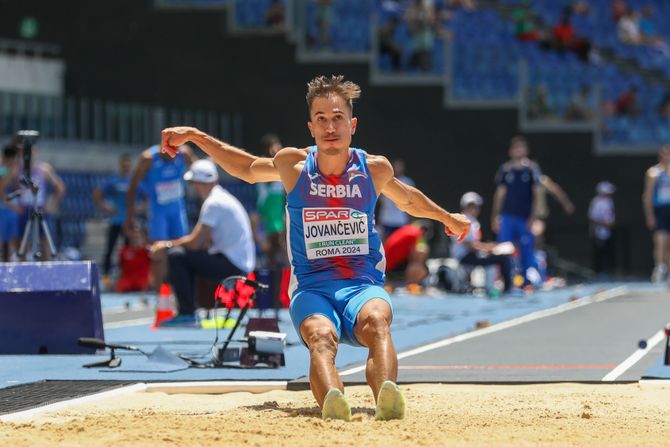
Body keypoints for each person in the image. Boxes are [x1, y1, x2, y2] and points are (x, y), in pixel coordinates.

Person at [160, 75, 470, 421]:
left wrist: (447, 217)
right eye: (321, 119)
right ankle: (334, 404)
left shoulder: (373, 168)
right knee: (322, 339)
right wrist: (197, 137)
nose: (330, 126)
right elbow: (246, 168)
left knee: (378, 321)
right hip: (312, 288)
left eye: (337, 118)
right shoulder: (294, 166)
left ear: (352, 124)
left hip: (361, 286)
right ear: (311, 127)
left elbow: (409, 199)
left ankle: (387, 399)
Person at [151, 159, 256, 325]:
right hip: (238, 262)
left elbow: (194, 243)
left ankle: (187, 313)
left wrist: (166, 245)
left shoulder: (213, 203)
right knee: (186, 256)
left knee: (177, 256)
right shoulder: (221, 197)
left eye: (194, 183)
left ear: (197, 183)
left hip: (233, 265)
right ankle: (189, 310)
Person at [125, 143, 194, 289]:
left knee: (180, 249)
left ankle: (180, 288)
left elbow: (199, 171)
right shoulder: (148, 158)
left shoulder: (184, 153)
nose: (172, 156)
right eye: (169, 153)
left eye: (176, 152)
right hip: (158, 212)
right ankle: (160, 291)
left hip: (177, 211)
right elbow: (132, 186)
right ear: (163, 148)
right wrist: (129, 215)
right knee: (158, 251)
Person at [491, 136, 543, 288]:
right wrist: (495, 215)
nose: (518, 151)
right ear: (510, 151)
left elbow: (537, 194)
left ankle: (526, 281)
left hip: (524, 217)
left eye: (521, 148)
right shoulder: (505, 170)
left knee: (526, 249)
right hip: (507, 216)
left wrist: (534, 217)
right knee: (504, 248)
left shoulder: (532, 169)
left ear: (526, 150)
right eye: (515, 148)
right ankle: (505, 280)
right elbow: (500, 194)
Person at [4, 145, 65, 261]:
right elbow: (2, 187)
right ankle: (23, 271)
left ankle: (45, 271)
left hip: (40, 208)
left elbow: (60, 187)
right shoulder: (16, 169)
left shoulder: (44, 169)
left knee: (43, 242)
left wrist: (52, 203)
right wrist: (12, 206)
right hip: (24, 209)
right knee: (22, 243)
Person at [93, 153, 145, 288]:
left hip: (129, 222)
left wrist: (139, 209)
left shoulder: (134, 182)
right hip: (116, 221)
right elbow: (97, 194)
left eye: (128, 164)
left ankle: (127, 275)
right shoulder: (113, 181)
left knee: (129, 251)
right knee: (110, 249)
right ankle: (106, 278)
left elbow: (147, 196)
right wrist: (106, 208)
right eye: (124, 163)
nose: (126, 166)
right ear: (120, 164)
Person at [451, 192, 513, 295]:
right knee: (502, 258)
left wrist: (489, 248)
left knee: (499, 257)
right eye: (471, 206)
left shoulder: (473, 222)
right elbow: (470, 246)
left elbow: (475, 245)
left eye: (476, 206)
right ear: (465, 206)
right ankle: (508, 290)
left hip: (472, 254)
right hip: (464, 257)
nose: (474, 209)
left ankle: (501, 287)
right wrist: (491, 248)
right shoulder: (462, 221)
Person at [253, 133, 289, 311]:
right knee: (273, 262)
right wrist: (261, 234)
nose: (279, 149)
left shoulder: (283, 170)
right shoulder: (265, 169)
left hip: (280, 221)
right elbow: (262, 205)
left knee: (284, 261)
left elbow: (282, 202)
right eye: (276, 146)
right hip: (269, 223)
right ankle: (270, 302)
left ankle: (281, 299)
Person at [642, 145, 670, 283]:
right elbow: (647, 196)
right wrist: (649, 215)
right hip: (660, 210)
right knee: (660, 240)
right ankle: (659, 267)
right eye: (665, 155)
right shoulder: (654, 173)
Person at [383, 221, 431, 287]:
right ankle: (412, 283)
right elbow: (413, 255)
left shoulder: (407, 228)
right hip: (391, 264)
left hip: (386, 260)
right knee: (418, 260)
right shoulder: (415, 234)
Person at [378, 159, 414, 239]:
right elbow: (381, 201)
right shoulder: (384, 180)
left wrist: (409, 221)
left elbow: (412, 203)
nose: (397, 168)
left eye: (399, 166)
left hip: (401, 221)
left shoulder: (407, 182)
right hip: (386, 220)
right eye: (396, 166)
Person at [589, 181, 616, 276]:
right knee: (599, 252)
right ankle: (598, 272)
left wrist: (611, 224)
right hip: (599, 231)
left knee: (609, 251)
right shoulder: (596, 202)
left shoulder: (609, 201)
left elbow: (611, 216)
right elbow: (592, 217)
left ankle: (607, 270)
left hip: (609, 231)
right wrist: (603, 224)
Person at [115, 224, 151, 293]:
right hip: (128, 279)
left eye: (137, 237)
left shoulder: (147, 251)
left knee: (145, 286)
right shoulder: (124, 251)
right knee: (121, 286)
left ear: (142, 238)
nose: (135, 240)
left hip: (143, 279)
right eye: (133, 238)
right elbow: (121, 267)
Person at [0, 145, 20, 261]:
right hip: (4, 210)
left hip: (13, 210)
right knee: (5, 241)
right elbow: (1, 190)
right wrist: (12, 206)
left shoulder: (16, 170)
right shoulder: (3, 170)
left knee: (15, 240)